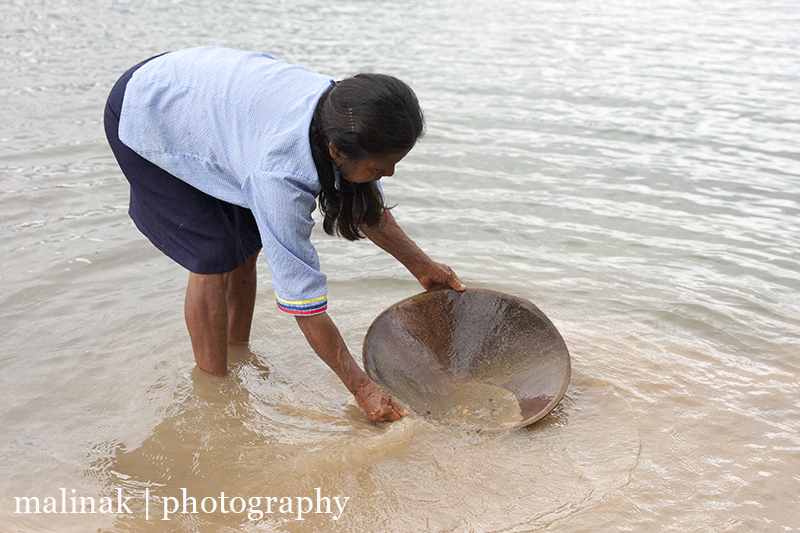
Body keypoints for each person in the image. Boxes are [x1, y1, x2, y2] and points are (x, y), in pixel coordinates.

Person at [104, 46, 466, 424]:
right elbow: (304, 304)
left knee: (247, 241)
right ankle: (215, 394)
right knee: (214, 254)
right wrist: (361, 387)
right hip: (148, 108)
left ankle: (238, 350)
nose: (388, 174)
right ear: (336, 151)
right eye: (380, 167)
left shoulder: (342, 116)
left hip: (208, 101)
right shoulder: (280, 179)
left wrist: (424, 267)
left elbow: (368, 208)